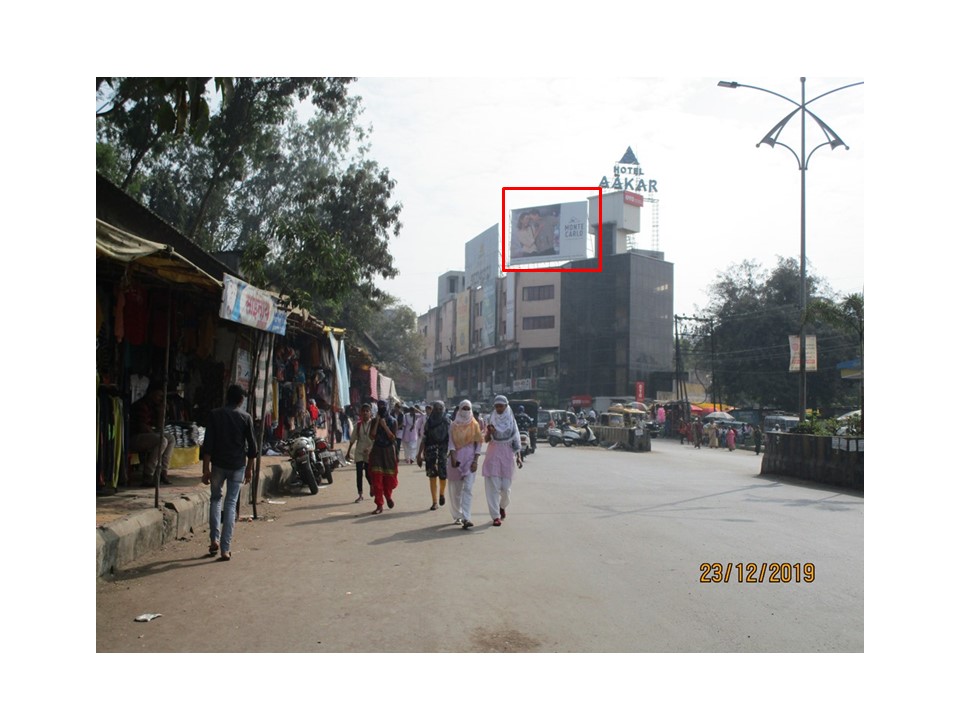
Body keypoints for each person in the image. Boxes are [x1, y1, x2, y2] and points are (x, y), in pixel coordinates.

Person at [201, 384, 258, 561]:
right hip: (237, 466)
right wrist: (249, 469)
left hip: (218, 465)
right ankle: (225, 549)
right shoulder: (245, 417)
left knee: (216, 500)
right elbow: (253, 448)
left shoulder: (214, 414)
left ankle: (214, 539)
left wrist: (205, 469)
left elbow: (208, 444)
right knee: (231, 503)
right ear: (241, 400)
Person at [482, 395, 522, 528]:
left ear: (506, 406)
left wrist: (519, 457)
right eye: (497, 406)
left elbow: (516, 438)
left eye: (501, 406)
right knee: (493, 488)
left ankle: (502, 506)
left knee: (506, 488)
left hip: (507, 455)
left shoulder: (511, 420)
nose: (499, 408)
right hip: (493, 454)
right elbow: (486, 439)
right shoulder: (490, 419)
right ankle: (495, 516)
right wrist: (490, 432)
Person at [447, 399, 484, 530]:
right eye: (464, 408)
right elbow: (451, 443)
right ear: (459, 409)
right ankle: (458, 514)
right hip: (456, 460)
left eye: (468, 409)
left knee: (468, 489)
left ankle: (467, 518)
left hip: (470, 460)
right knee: (456, 491)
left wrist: (475, 460)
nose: (466, 411)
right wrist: (452, 457)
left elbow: (478, 444)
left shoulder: (475, 424)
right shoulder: (453, 425)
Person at [131, 381, 174, 486]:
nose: (160, 398)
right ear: (152, 393)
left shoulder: (155, 406)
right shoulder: (141, 405)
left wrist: (161, 412)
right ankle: (148, 474)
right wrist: (156, 433)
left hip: (148, 435)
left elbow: (159, 427)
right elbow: (142, 427)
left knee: (171, 438)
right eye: (159, 395)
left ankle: (163, 472)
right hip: (135, 437)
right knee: (162, 440)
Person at [417, 401, 450, 510]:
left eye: (441, 409)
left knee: (443, 476)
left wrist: (452, 452)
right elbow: (424, 439)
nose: (438, 411)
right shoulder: (428, 423)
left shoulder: (447, 422)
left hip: (442, 452)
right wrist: (419, 454)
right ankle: (434, 501)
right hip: (430, 452)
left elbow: (452, 439)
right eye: (436, 409)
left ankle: (441, 493)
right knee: (432, 476)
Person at [368, 401, 399, 515]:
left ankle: (388, 497)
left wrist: (385, 426)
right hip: (377, 451)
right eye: (379, 407)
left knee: (388, 479)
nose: (382, 408)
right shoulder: (373, 421)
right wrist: (377, 423)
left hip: (388, 452)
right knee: (377, 479)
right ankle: (379, 504)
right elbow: (372, 436)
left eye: (383, 407)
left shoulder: (393, 421)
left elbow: (392, 438)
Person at [345, 403, 374, 503]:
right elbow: (352, 440)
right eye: (363, 411)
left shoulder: (373, 425)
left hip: (369, 453)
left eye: (367, 411)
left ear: (370, 413)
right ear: (360, 413)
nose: (365, 413)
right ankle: (360, 494)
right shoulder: (358, 425)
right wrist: (348, 452)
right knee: (358, 473)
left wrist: (370, 448)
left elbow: (375, 439)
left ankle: (372, 485)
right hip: (359, 452)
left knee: (367, 473)